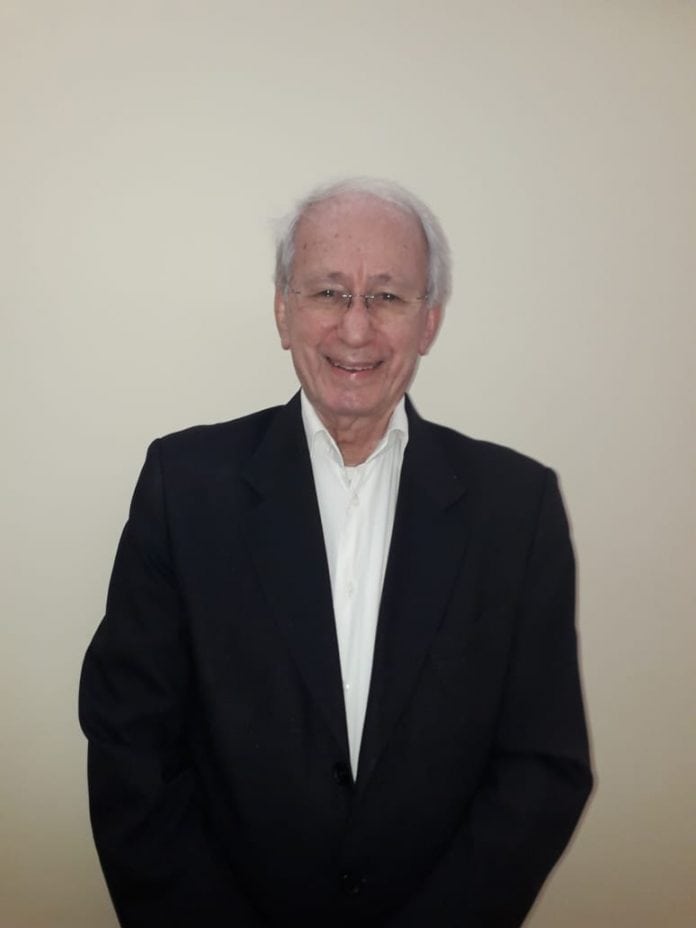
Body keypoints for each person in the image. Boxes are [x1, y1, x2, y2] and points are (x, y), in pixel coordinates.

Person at [79, 177, 592, 928]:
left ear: (429, 320)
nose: (356, 329)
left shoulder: (518, 508)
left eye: (387, 296)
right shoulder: (184, 487)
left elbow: (542, 767)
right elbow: (132, 746)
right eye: (328, 292)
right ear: (282, 312)